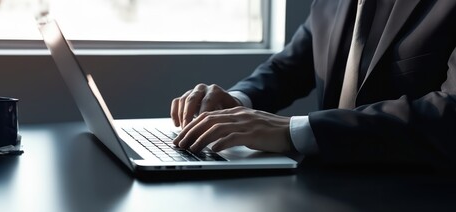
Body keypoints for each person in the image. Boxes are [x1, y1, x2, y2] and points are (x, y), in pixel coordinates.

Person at [170, 0, 456, 169]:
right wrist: (237, 100)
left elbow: (449, 112)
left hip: (421, 202)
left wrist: (295, 129)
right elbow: (291, 66)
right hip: (329, 188)